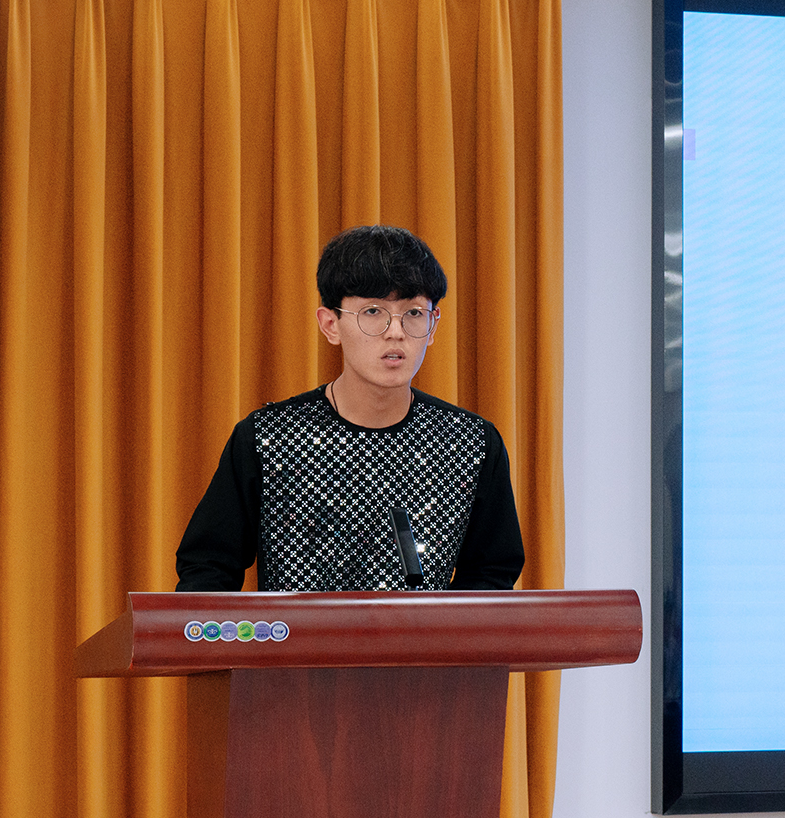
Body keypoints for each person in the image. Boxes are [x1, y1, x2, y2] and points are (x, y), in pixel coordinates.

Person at [175, 224, 526, 592]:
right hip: (296, 632)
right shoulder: (269, 438)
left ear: (433, 324)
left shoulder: (470, 443)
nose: (396, 332)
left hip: (421, 634)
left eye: (413, 313)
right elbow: (207, 569)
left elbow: (491, 576)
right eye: (373, 311)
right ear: (331, 324)